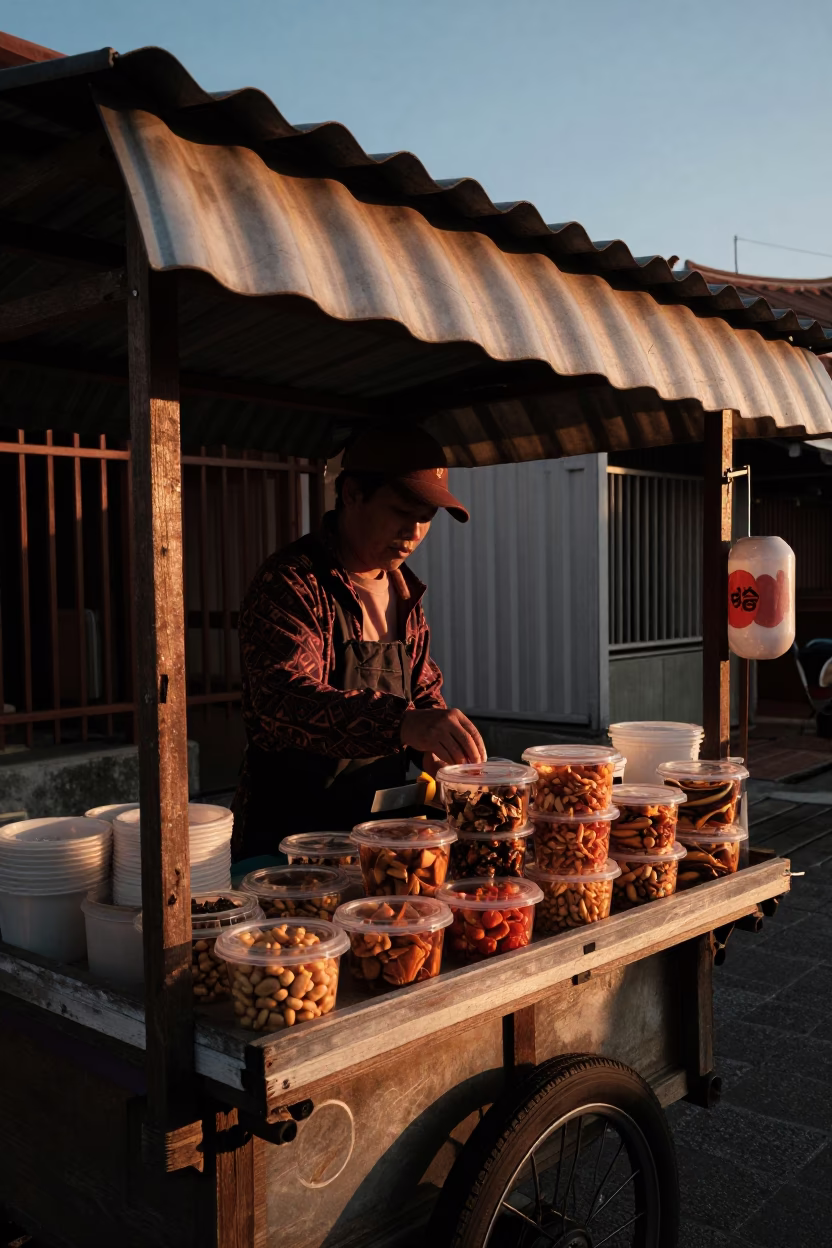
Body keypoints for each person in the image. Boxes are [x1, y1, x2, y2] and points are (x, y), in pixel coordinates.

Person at [233, 424, 486, 858]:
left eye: (425, 518)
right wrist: (402, 724)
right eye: (401, 511)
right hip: (289, 842)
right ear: (352, 494)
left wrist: (440, 752)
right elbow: (283, 701)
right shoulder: (294, 582)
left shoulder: (405, 594)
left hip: (378, 839)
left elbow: (422, 696)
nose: (413, 532)